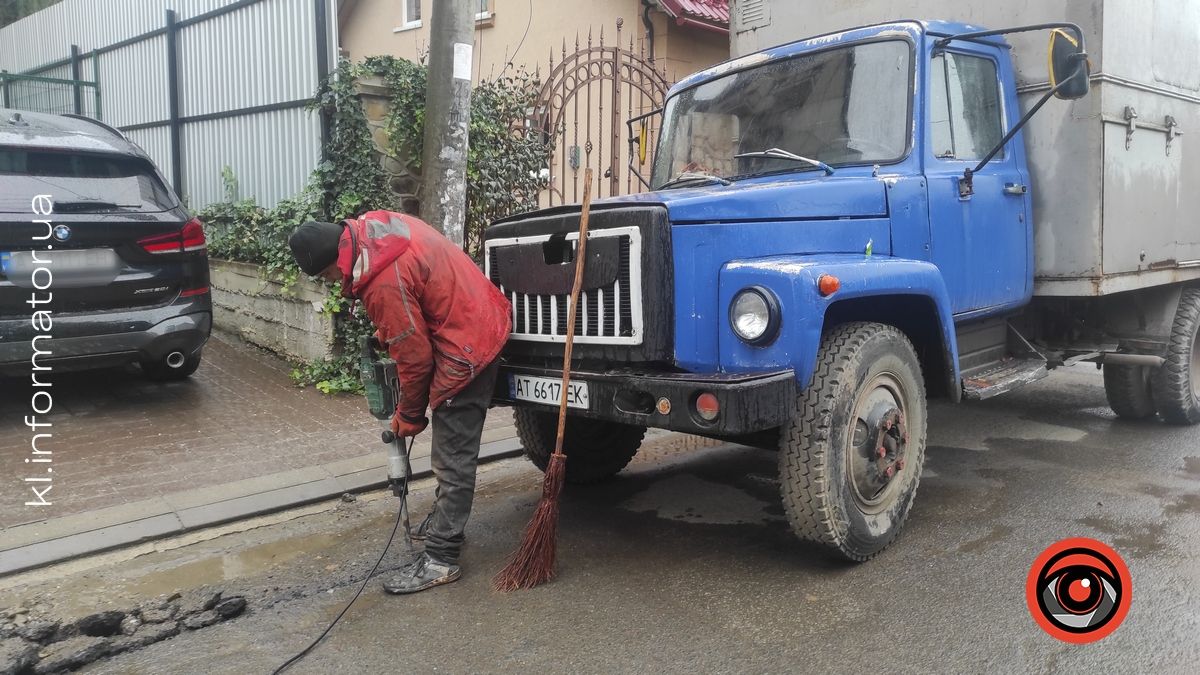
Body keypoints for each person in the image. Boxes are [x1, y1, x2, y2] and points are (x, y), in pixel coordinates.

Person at [288, 210, 511, 594]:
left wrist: (409, 415)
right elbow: (417, 293)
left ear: (335, 261)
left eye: (327, 277)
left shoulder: (381, 281)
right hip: (477, 312)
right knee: (449, 451)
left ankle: (442, 557)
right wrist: (389, 329)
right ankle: (445, 520)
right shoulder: (372, 229)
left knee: (451, 454)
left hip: (468, 342)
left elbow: (416, 359)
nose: (332, 283)